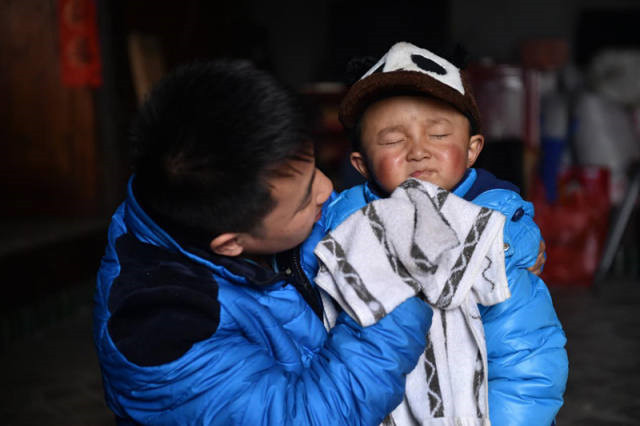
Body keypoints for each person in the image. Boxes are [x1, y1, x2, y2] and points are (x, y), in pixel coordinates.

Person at [93, 60, 434, 425]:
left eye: (317, 166)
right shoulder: (161, 334)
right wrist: (391, 298)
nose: (327, 189)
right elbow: (304, 418)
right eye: (305, 200)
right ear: (230, 244)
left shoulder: (232, 200)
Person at [303, 42, 569, 426]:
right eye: (394, 140)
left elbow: (526, 361)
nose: (418, 151)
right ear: (361, 165)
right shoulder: (337, 232)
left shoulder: (492, 242)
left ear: (473, 149)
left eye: (439, 134)